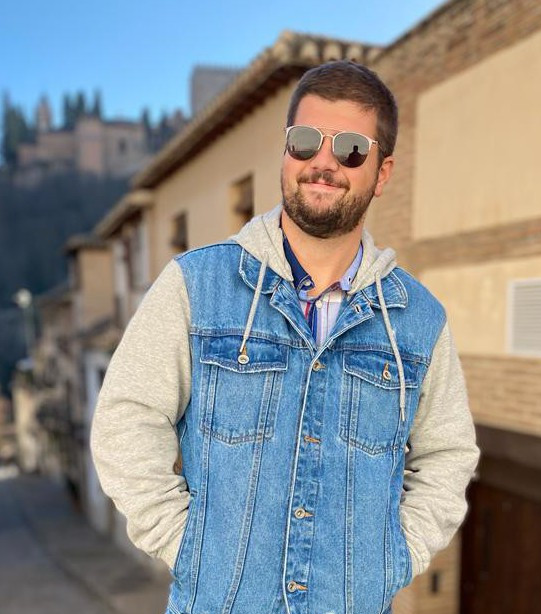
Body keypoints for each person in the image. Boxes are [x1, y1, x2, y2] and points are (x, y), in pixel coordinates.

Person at [91, 60, 479, 614]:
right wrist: (190, 547)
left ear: (382, 173)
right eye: (304, 141)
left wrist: (395, 557)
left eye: (351, 149)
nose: (323, 162)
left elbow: (447, 455)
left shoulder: (419, 321)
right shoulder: (195, 286)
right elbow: (126, 420)